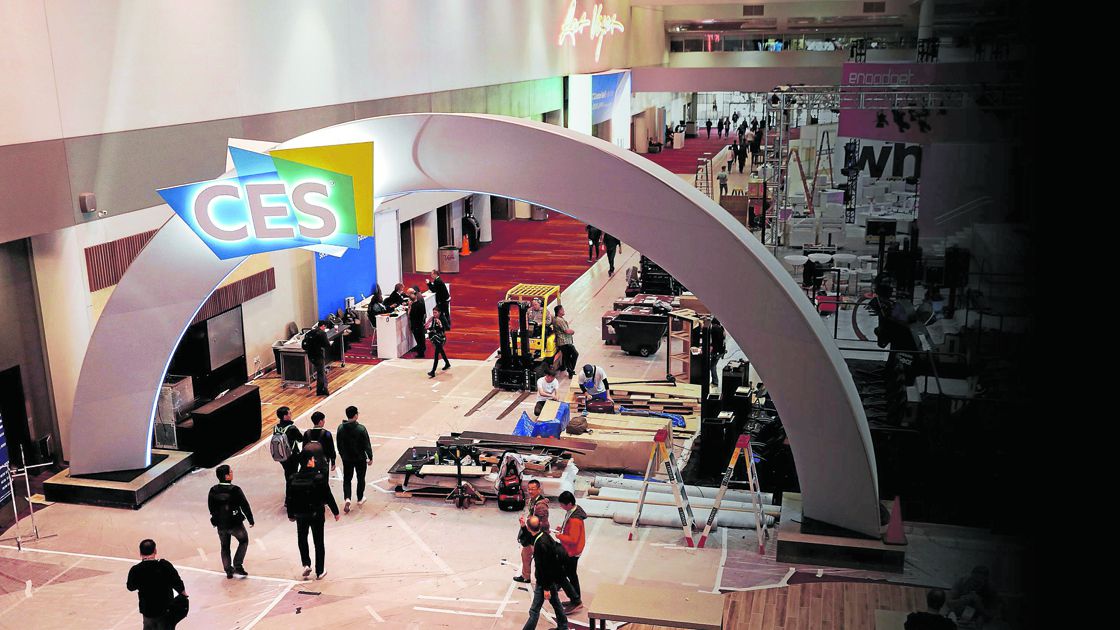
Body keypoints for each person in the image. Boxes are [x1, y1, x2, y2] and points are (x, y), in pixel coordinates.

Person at [287, 455, 340, 580]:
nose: (313, 461)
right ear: (308, 463)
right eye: (311, 459)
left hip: (300, 514)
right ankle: (320, 570)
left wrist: (291, 514)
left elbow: (289, 497)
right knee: (319, 542)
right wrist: (335, 512)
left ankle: (306, 563)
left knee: (302, 538)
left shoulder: (293, 478)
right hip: (316, 514)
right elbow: (328, 495)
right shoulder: (319, 478)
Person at [520, 515, 569, 630]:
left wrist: (546, 588)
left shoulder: (540, 545)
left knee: (534, 610)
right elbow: (530, 539)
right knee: (556, 603)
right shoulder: (543, 535)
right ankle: (563, 626)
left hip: (544, 581)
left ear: (529, 527)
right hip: (551, 577)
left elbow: (544, 568)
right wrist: (523, 527)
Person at [126, 539, 186, 630]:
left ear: (140, 553)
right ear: (155, 551)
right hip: (165, 610)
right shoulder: (164, 565)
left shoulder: (136, 570)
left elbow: (130, 587)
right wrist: (183, 595)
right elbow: (177, 583)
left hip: (148, 611)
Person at [207, 464, 255, 579]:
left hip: (221, 524)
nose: (232, 473)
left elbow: (211, 507)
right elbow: (245, 505)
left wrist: (216, 518)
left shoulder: (213, 490)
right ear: (227, 476)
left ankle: (228, 570)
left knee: (224, 546)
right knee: (243, 540)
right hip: (235, 523)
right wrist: (250, 519)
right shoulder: (235, 490)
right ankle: (238, 564)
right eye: (231, 472)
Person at [336, 405, 373, 513]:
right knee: (361, 478)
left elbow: (338, 443)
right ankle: (360, 498)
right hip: (360, 458)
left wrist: (342, 454)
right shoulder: (361, 428)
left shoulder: (341, 428)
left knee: (347, 478)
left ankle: (347, 498)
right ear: (356, 415)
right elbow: (367, 444)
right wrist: (370, 457)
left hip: (347, 458)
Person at [554, 491, 586, 612]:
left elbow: (573, 539)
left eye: (562, 504)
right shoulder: (573, 512)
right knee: (571, 574)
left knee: (570, 575)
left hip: (572, 551)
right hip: (572, 549)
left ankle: (576, 600)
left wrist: (559, 536)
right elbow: (570, 529)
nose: (561, 506)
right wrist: (562, 529)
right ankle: (575, 599)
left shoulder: (575, 520)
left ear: (569, 503)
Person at [514, 480, 551, 584]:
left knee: (542, 562)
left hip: (538, 537)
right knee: (525, 554)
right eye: (529, 489)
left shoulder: (541, 506)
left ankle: (551, 583)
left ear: (539, 490)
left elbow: (542, 524)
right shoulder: (532, 500)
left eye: (533, 489)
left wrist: (529, 529)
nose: (530, 491)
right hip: (531, 534)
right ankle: (526, 577)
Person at [272, 406, 303, 507]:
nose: (291, 415)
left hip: (281, 456)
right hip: (292, 456)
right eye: (289, 413)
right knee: (293, 476)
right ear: (285, 416)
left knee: (288, 475)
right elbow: (300, 439)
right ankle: (290, 499)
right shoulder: (292, 428)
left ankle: (289, 498)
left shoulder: (276, 428)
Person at [302, 411, 337, 478]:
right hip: (323, 461)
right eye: (324, 420)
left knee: (311, 479)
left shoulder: (307, 433)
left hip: (310, 461)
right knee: (323, 480)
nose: (324, 421)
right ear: (320, 421)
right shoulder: (327, 433)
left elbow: (304, 448)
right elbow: (331, 449)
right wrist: (333, 462)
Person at [302, 320, 331, 396]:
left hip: (311, 355)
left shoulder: (309, 333)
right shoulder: (322, 334)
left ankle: (323, 388)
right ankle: (321, 390)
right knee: (321, 373)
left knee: (321, 372)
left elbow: (304, 344)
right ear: (323, 326)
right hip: (318, 355)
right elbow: (327, 345)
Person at [552, 305, 578, 378]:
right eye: (562, 309)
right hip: (564, 341)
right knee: (574, 354)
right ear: (559, 311)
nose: (564, 310)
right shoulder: (559, 320)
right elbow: (566, 331)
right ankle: (570, 371)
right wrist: (573, 331)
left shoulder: (559, 319)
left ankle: (569, 370)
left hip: (565, 341)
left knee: (567, 356)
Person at [426, 306, 451, 377]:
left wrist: (440, 325)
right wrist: (428, 328)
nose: (434, 314)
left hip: (441, 338)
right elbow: (433, 327)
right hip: (436, 337)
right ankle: (447, 363)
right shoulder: (434, 318)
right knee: (441, 351)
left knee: (436, 354)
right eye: (433, 312)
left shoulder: (442, 318)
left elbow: (447, 327)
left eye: (435, 313)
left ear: (439, 312)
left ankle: (433, 371)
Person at [408, 288, 427, 359]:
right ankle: (422, 349)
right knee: (421, 338)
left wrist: (409, 307)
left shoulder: (414, 306)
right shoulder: (421, 303)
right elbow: (424, 313)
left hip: (416, 324)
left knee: (418, 339)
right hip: (420, 323)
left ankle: (421, 353)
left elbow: (410, 315)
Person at [709, 318, 726, 387]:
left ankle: (715, 382)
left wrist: (714, 353)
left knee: (712, 366)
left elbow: (716, 343)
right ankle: (714, 381)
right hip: (720, 351)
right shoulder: (721, 328)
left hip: (718, 352)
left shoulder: (715, 329)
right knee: (713, 366)